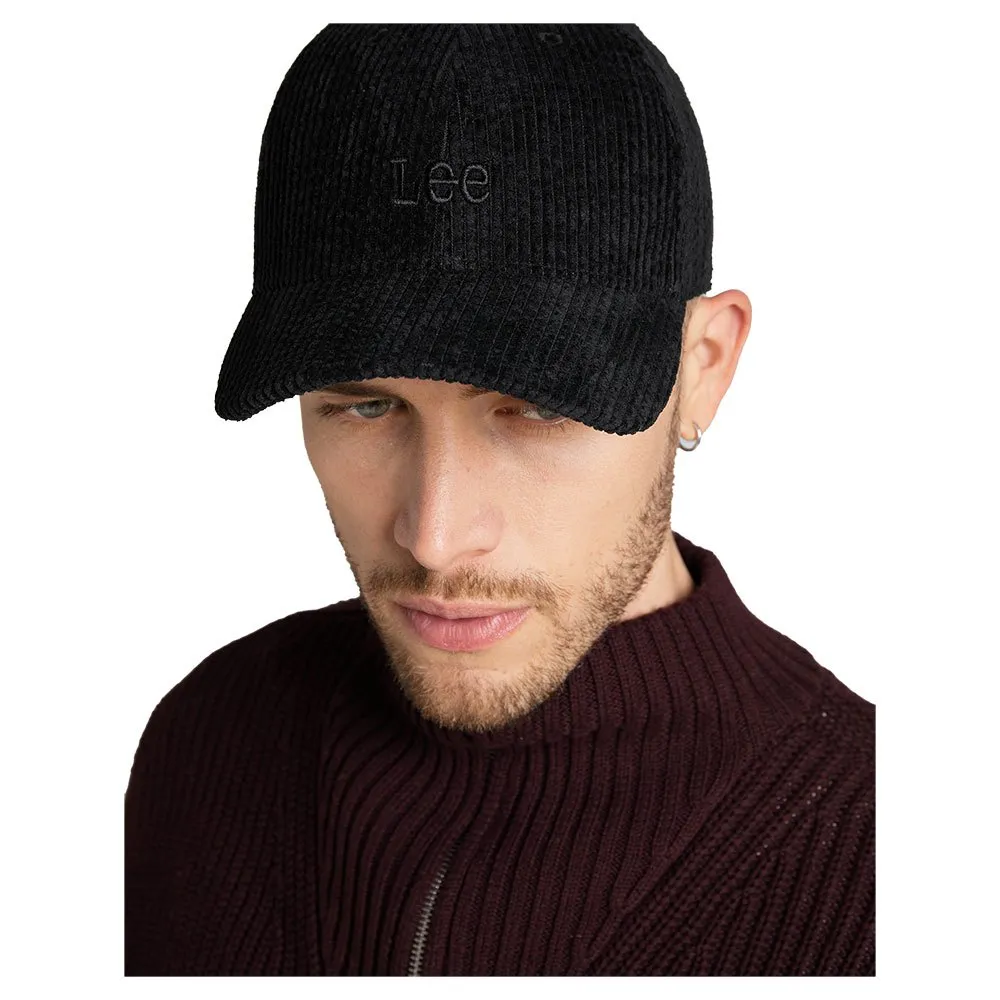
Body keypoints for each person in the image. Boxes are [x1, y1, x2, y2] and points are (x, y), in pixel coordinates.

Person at [125, 23, 874, 975]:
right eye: (365, 405)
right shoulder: (206, 743)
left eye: (537, 407)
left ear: (703, 367)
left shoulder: (883, 868)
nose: (435, 537)